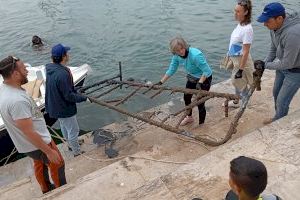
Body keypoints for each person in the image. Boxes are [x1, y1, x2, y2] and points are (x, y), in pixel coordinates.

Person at [0, 56, 66, 193]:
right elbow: (28, 131)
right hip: (38, 142)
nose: (27, 71)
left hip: (27, 145)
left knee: (40, 165)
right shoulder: (17, 101)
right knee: (58, 163)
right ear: (15, 74)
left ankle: (46, 190)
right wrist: (48, 151)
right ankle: (63, 192)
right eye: (24, 69)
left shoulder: (5, 89)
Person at [255, 2, 300, 125]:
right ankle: (279, 116)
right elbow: (273, 49)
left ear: (279, 18)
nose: (264, 24)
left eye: (267, 21)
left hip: (296, 71)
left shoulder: (293, 33)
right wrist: (264, 63)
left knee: (282, 100)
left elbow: (288, 63)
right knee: (275, 92)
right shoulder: (274, 28)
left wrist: (266, 65)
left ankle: (279, 124)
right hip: (283, 67)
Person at [156, 36, 212, 126]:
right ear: (174, 52)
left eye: (182, 48)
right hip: (192, 77)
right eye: (177, 51)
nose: (181, 52)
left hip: (204, 78)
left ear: (185, 46)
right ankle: (189, 117)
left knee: (200, 102)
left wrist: (200, 82)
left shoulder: (195, 55)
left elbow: (207, 71)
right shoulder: (176, 56)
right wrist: (161, 82)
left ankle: (202, 124)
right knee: (187, 98)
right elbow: (171, 69)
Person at [45, 43, 87, 156]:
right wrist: (84, 98)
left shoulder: (50, 69)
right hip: (64, 108)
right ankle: (77, 152)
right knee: (74, 130)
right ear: (64, 56)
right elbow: (68, 96)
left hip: (55, 106)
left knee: (64, 126)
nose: (68, 55)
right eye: (67, 53)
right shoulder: (62, 74)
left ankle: (70, 144)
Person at [225, 0, 254, 107]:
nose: (235, 13)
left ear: (246, 12)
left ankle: (244, 106)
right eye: (235, 10)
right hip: (235, 57)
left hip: (241, 60)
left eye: (238, 11)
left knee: (238, 81)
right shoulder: (240, 24)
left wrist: (241, 70)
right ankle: (237, 100)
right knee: (237, 82)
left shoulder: (247, 29)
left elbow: (246, 51)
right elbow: (237, 43)